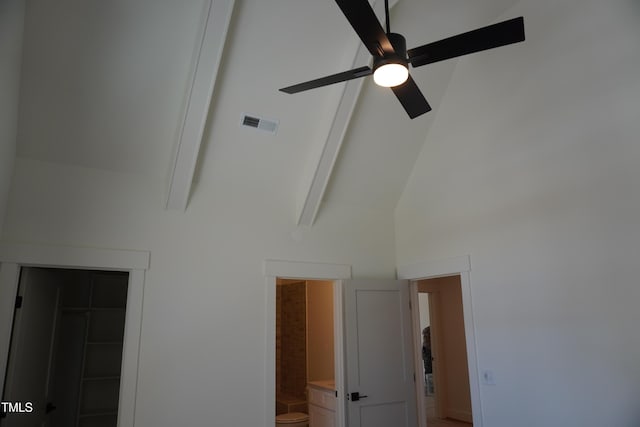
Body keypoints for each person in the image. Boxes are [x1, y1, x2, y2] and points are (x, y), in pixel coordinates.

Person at [422, 326, 434, 394]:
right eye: (424, 335)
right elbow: (423, 355)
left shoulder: (430, 342)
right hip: (427, 360)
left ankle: (430, 390)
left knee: (430, 372)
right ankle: (429, 390)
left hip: (429, 358)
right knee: (428, 372)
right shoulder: (425, 344)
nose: (425, 336)